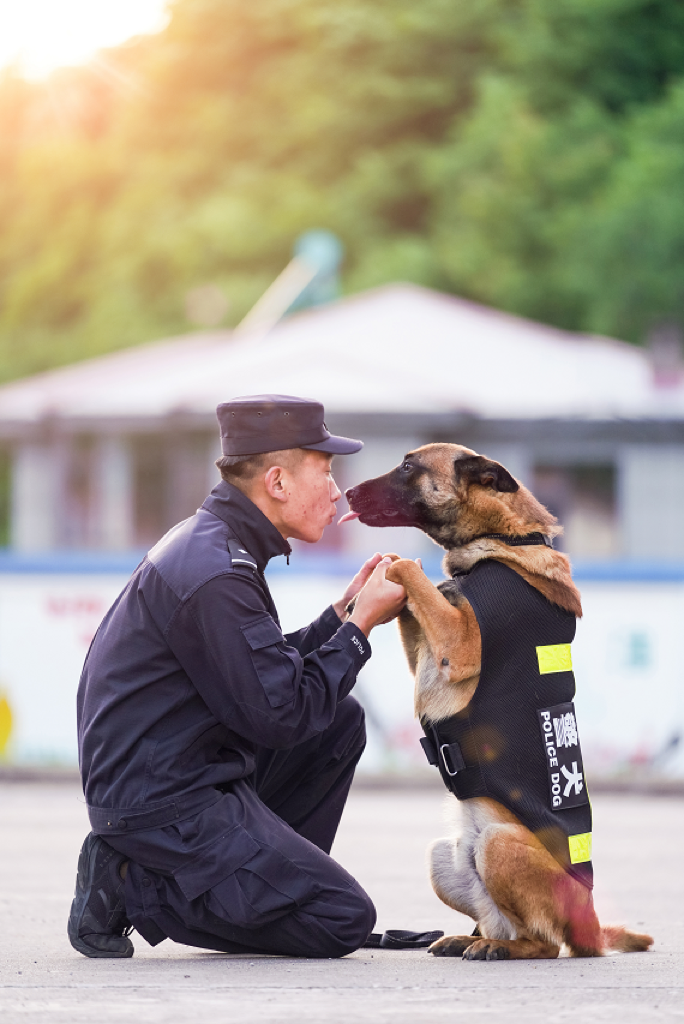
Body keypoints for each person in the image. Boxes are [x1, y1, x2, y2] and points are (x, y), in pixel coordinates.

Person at [68, 394, 406, 960]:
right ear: (277, 482)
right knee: (340, 919)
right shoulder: (218, 571)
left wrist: (341, 616)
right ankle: (135, 884)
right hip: (162, 802)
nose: (336, 491)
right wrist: (361, 627)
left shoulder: (216, 543)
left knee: (339, 720)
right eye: (325, 471)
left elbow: (261, 679)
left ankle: (265, 893)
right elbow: (281, 714)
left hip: (181, 770)